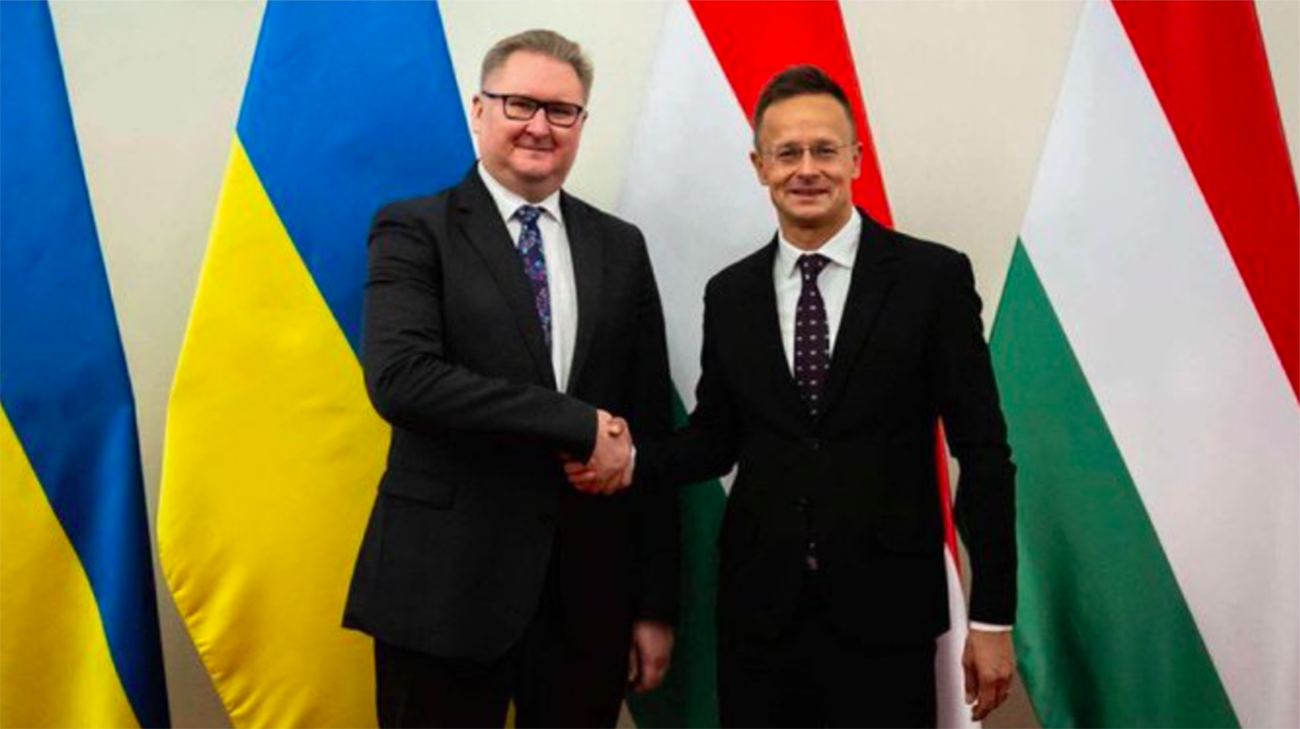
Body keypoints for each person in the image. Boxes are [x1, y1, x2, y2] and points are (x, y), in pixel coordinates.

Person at [570, 64, 1016, 728]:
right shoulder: (731, 293)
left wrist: (992, 618)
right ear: (760, 166)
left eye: (824, 150)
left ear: (855, 159)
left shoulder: (933, 279)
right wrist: (627, 459)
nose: (807, 169)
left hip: (886, 616)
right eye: (787, 153)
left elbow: (983, 453)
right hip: (760, 617)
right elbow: (715, 439)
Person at [344, 29, 678, 729]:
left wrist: (653, 604)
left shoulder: (620, 246)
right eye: (519, 103)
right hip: (443, 591)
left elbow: (646, 428)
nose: (539, 126)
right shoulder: (413, 228)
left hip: (586, 601)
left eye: (562, 110)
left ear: (581, 122)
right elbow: (402, 380)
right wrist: (575, 423)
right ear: (479, 109)